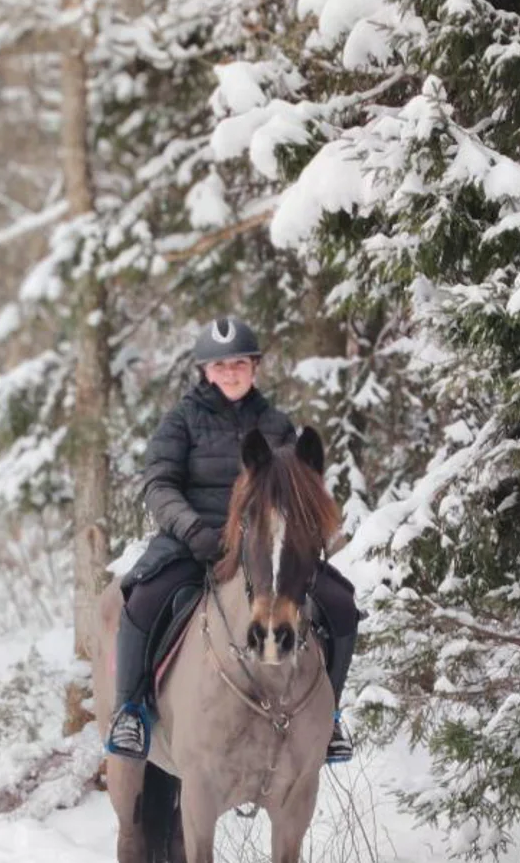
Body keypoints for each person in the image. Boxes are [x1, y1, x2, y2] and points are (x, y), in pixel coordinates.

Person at [105, 315, 358, 764]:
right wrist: (194, 531)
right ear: (205, 371)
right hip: (194, 541)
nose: (230, 372)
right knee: (143, 598)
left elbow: (297, 490)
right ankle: (130, 709)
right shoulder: (180, 420)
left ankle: (331, 718)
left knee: (339, 603)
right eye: (220, 366)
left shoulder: (277, 424)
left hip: (264, 548)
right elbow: (159, 485)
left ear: (254, 367)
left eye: (239, 363)